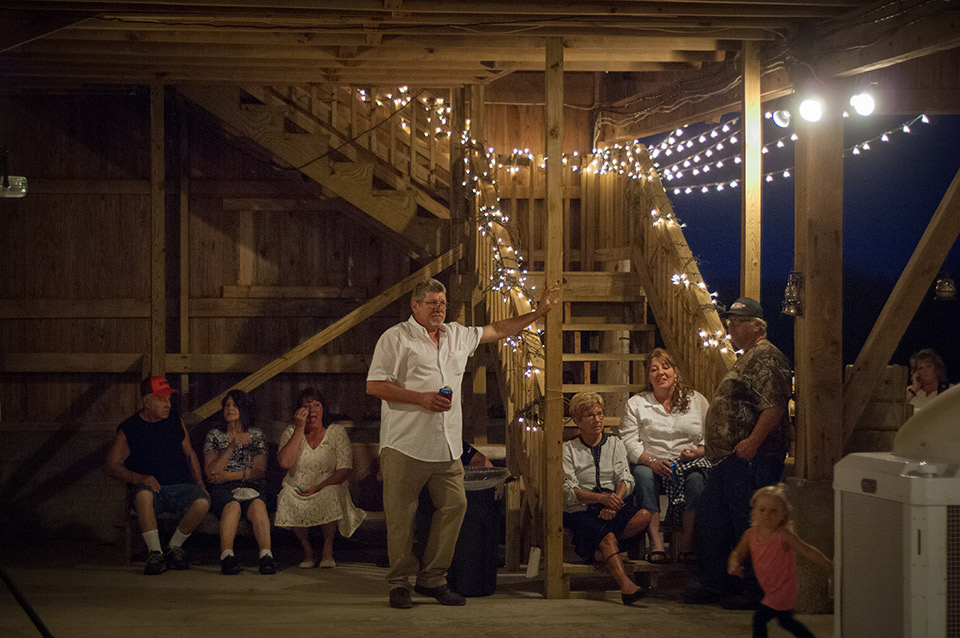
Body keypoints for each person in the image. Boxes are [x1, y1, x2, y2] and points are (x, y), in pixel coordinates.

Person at [367, 277, 559, 609]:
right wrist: (420, 399)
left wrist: (537, 312)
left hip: (446, 447)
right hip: (404, 444)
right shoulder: (396, 338)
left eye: (442, 303)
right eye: (431, 303)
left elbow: (498, 329)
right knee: (401, 518)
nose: (438, 308)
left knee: (455, 506)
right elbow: (375, 385)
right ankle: (399, 583)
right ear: (415, 306)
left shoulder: (457, 334)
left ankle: (432, 579)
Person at [685, 297, 793, 608]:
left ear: (758, 327)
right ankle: (717, 583)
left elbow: (773, 405)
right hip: (727, 460)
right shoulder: (745, 358)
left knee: (751, 523)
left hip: (750, 459)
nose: (730, 325)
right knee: (713, 521)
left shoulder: (767, 358)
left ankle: (756, 590)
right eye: (729, 320)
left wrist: (753, 442)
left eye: (738, 321)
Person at [104, 376, 210, 575]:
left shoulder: (174, 420)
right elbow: (111, 465)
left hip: (180, 486)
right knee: (143, 496)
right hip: (151, 489)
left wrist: (199, 483)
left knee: (203, 501)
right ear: (146, 401)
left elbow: (189, 453)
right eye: (162, 400)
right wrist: (139, 478)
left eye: (169, 399)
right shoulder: (130, 428)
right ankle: (155, 553)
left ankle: (173, 547)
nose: (168, 404)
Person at [619, 347, 710, 564]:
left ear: (675, 372)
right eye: (654, 369)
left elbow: (710, 437)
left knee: (697, 481)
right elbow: (628, 440)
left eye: (666, 367)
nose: (660, 372)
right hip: (651, 463)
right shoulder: (637, 403)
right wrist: (651, 461)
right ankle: (656, 542)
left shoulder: (697, 401)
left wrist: (698, 452)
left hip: (688, 464)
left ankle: (687, 544)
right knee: (642, 476)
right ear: (648, 377)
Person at [563, 392, 648, 605]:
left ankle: (601, 552)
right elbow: (569, 491)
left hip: (612, 503)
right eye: (590, 416)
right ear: (577, 421)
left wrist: (615, 501)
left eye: (600, 414)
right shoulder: (569, 449)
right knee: (607, 537)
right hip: (583, 509)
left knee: (645, 515)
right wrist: (600, 499)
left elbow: (625, 478)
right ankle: (627, 587)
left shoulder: (615, 443)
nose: (597, 419)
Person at [275, 387, 366, 569]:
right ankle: (307, 550)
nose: (312, 410)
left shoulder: (336, 432)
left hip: (328, 484)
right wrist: (299, 428)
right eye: (307, 406)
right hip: (299, 485)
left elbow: (344, 469)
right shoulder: (291, 431)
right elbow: (285, 462)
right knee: (287, 494)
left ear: (323, 409)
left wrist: (318, 487)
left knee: (330, 492)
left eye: (317, 405)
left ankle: (327, 549)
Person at [728, 484, 832, 638]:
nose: (767, 514)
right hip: (771, 588)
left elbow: (807, 550)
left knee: (759, 619)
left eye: (773, 510)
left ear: (783, 514)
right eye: (762, 510)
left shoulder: (783, 536)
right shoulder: (750, 535)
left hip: (784, 590)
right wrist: (734, 563)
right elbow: (738, 552)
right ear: (754, 513)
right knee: (785, 621)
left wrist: (828, 565)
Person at [203, 389, 275, 575]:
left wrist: (229, 475)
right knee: (232, 506)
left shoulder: (256, 435)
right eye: (227, 405)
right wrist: (231, 446)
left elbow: (259, 471)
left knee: (258, 505)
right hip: (223, 489)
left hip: (251, 485)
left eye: (235, 404)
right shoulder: (214, 435)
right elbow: (211, 472)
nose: (230, 408)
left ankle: (266, 556)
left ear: (244, 408)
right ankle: (227, 556)